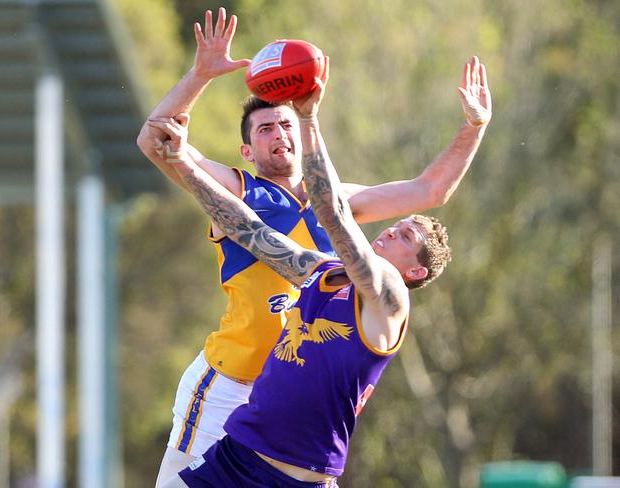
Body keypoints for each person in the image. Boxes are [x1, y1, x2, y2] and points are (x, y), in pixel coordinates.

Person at [136, 7, 491, 485]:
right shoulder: (242, 190)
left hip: (282, 400)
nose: (279, 135)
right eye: (265, 130)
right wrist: (199, 75)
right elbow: (155, 139)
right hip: (229, 382)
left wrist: (473, 126)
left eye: (285, 124)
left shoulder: (340, 203)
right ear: (248, 152)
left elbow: (430, 191)